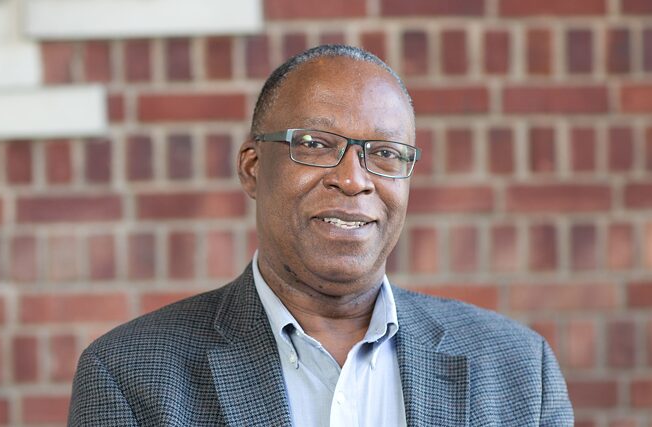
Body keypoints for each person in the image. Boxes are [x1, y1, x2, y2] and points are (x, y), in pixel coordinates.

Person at [68, 44, 573, 426]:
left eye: (385, 153)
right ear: (252, 168)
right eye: (314, 144)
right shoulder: (129, 376)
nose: (353, 180)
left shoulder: (518, 370)